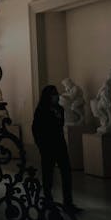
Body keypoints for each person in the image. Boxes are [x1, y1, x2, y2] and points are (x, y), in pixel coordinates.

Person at [32, 84, 81, 213]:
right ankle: (48, 200)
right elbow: (36, 129)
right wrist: (41, 145)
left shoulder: (60, 109)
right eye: (53, 94)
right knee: (48, 175)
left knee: (66, 173)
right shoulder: (41, 110)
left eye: (56, 94)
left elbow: (59, 126)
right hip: (48, 146)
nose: (56, 96)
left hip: (60, 145)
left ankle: (68, 202)